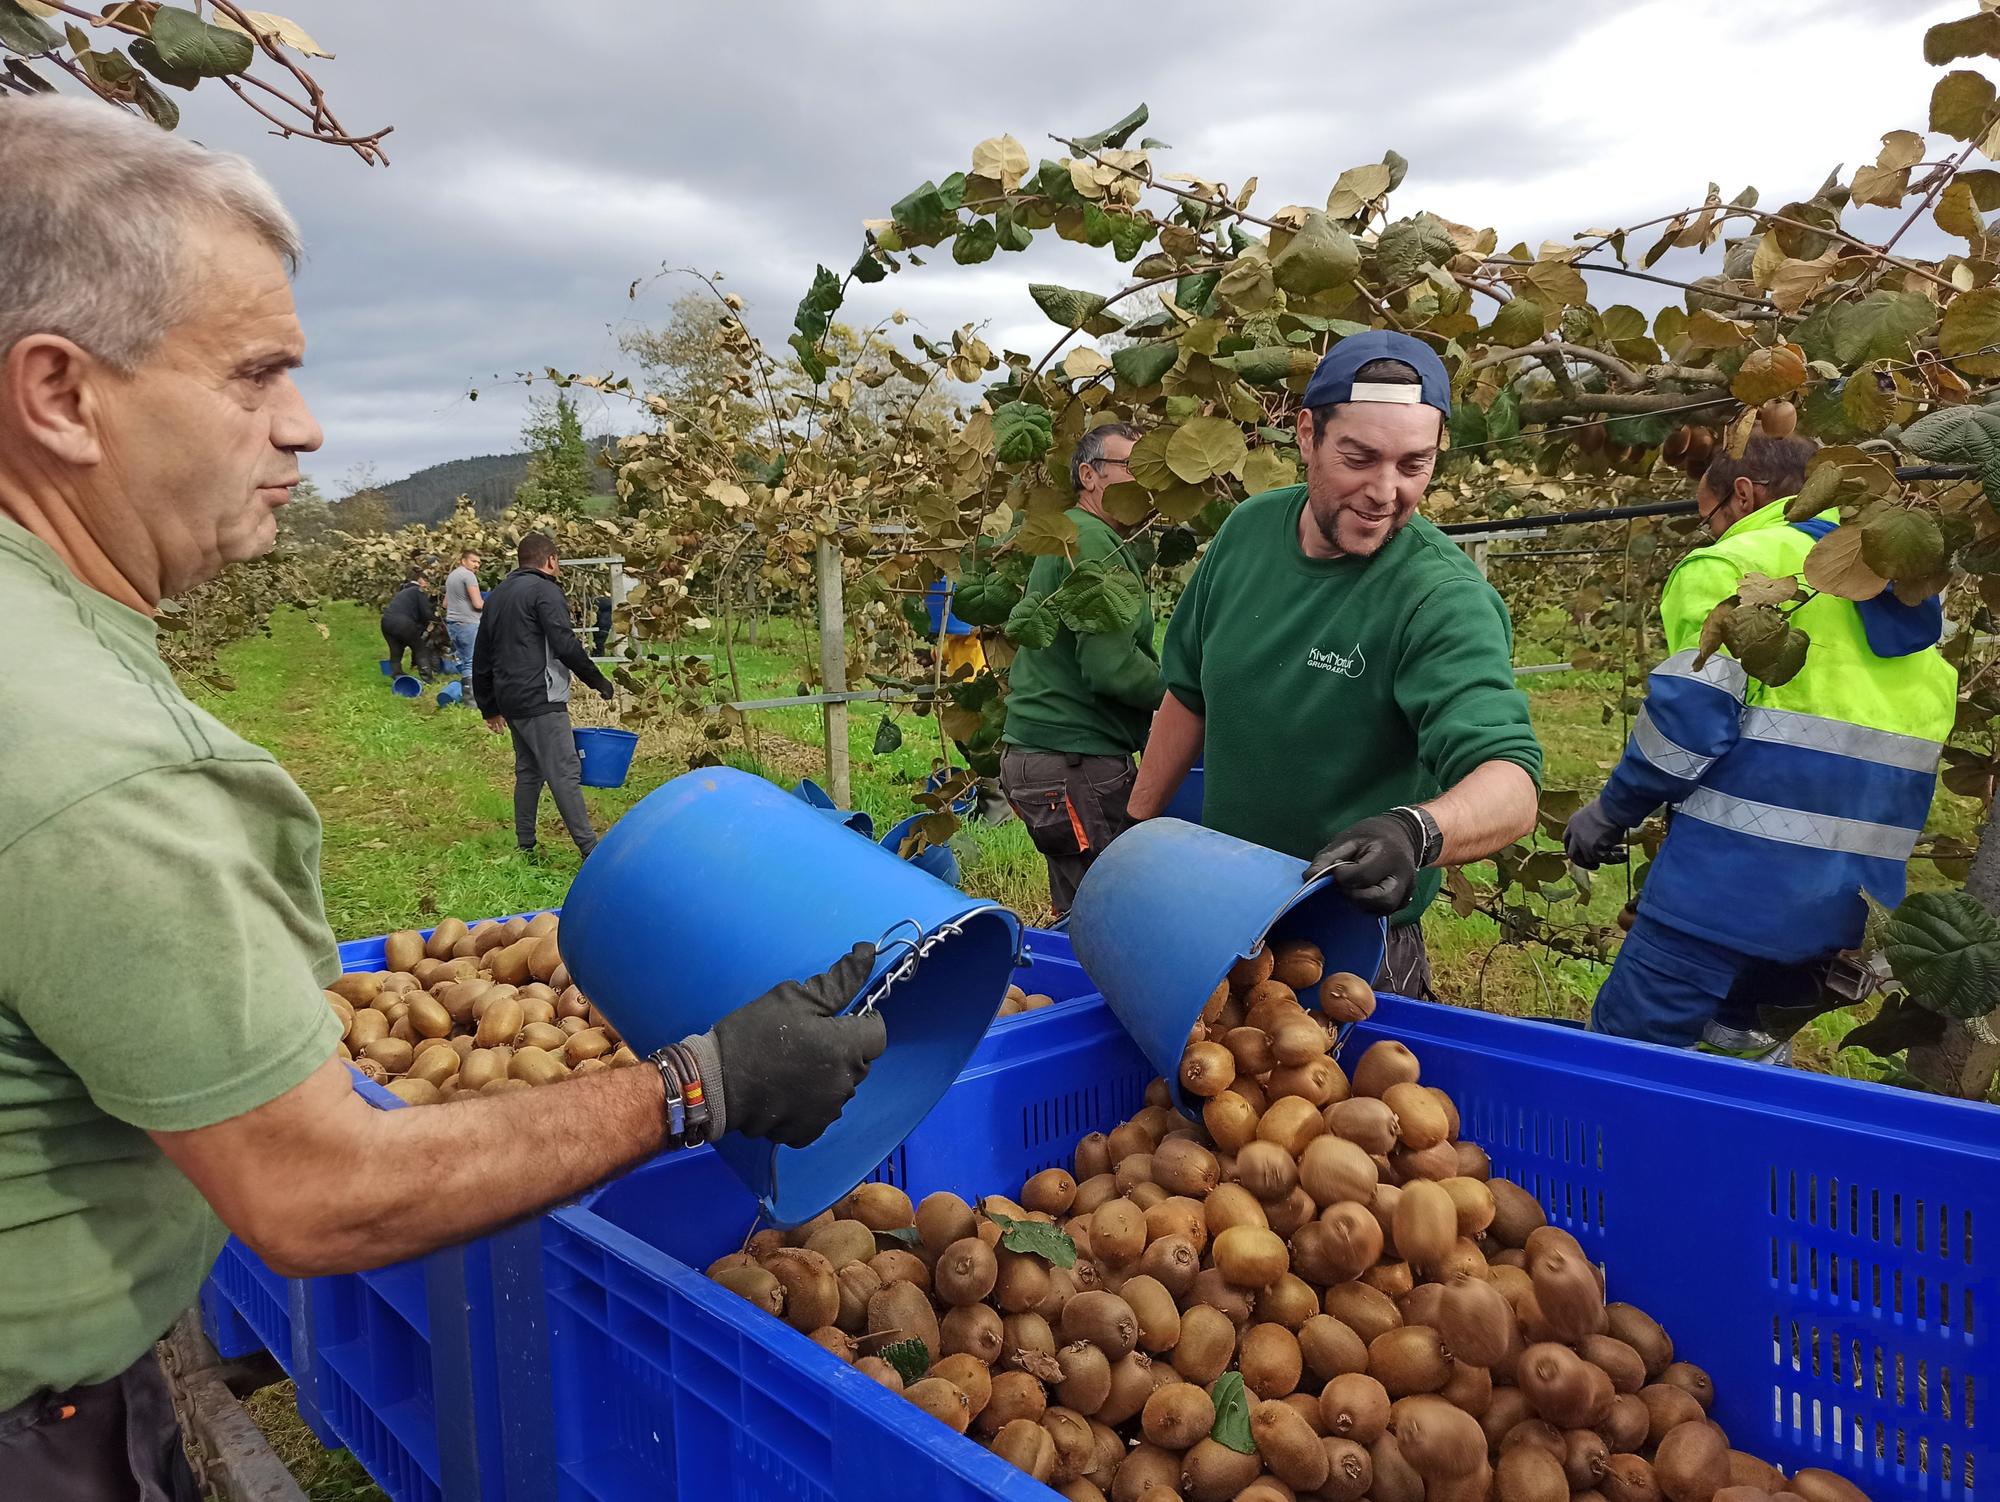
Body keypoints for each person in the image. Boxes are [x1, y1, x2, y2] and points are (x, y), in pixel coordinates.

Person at [0, 95, 887, 1501]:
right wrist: (701, 1082)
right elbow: (313, 1188)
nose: (304, 427)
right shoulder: (100, 758)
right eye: (252, 374)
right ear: (60, 394)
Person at [1127, 332, 1543, 995]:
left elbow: (1512, 784)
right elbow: (1188, 694)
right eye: (1359, 457)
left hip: (1353, 946)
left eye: (1415, 464)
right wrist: (1137, 834)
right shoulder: (1247, 534)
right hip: (1222, 914)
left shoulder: (1439, 599)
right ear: (1307, 435)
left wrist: (1416, 833)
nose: (1385, 491)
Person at [1564, 435, 1956, 1055]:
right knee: (1742, 1075)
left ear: (1742, 494)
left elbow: (1688, 722)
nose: (1710, 530)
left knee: (1631, 1070)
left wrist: (1610, 813)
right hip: (1842, 920)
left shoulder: (1736, 565)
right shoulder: (1908, 595)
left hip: (1718, 901)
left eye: (1708, 515)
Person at [999, 422, 1163, 915]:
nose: (1145, 482)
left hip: (1044, 758)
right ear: (1089, 475)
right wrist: (1184, 695)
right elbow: (1111, 668)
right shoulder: (1095, 543)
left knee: (1082, 906)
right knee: (1114, 912)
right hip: (1074, 758)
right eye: (1131, 468)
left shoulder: (1072, 536)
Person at [473, 532, 616, 859]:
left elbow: (482, 654)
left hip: (510, 697)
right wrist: (597, 680)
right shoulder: (546, 590)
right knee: (564, 772)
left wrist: (489, 706)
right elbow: (565, 644)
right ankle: (591, 851)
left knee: (529, 771)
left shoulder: (497, 595)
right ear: (551, 560)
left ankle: (525, 845)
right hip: (540, 697)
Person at [444, 547, 485, 699]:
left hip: (453, 623)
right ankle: (471, 699)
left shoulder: (452, 576)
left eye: (479, 562)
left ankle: (466, 692)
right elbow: (478, 604)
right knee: (471, 661)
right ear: (463, 561)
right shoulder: (469, 576)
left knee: (464, 659)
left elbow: (445, 604)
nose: (477, 565)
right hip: (467, 623)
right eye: (473, 561)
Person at [380, 566, 436, 675]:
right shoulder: (418, 590)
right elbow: (426, 613)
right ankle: (427, 677)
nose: (427, 585)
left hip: (386, 621)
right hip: (402, 622)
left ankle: (397, 675)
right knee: (419, 647)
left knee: (396, 649)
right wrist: (436, 620)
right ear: (420, 580)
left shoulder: (404, 590)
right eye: (426, 581)